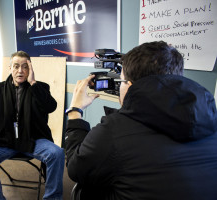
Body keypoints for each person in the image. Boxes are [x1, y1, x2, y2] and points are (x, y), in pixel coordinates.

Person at [65, 41, 217, 200]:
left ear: (129, 86)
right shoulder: (209, 117)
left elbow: (76, 169)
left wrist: (75, 111)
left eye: (121, 81)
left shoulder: (114, 130)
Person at [0, 51, 65, 200]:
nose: (20, 70)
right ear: (10, 68)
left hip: (34, 140)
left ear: (30, 69)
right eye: (16, 66)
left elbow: (51, 107)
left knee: (57, 153)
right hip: (5, 140)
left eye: (25, 67)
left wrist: (33, 83)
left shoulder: (40, 88)